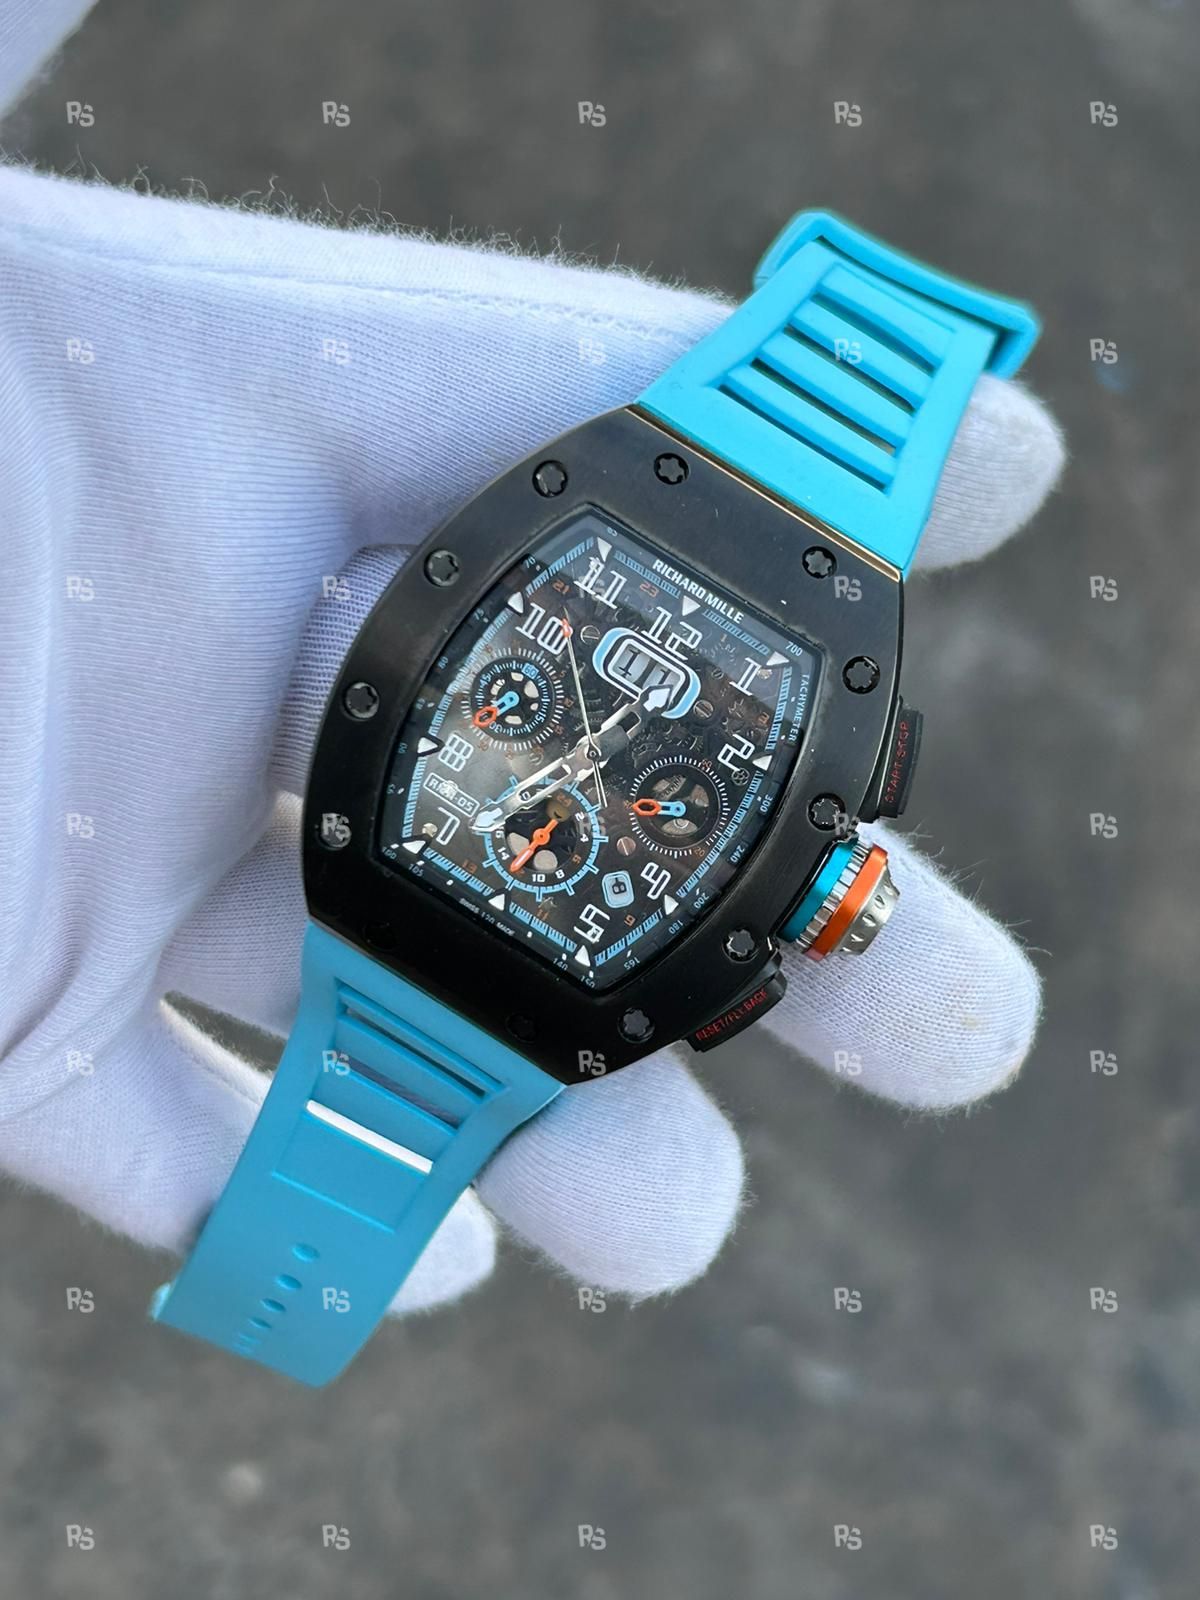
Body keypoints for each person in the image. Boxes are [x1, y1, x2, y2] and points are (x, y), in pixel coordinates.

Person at [0, 0, 1064, 1319]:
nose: (599, 756)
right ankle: (275, 1293)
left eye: (679, 806)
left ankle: (274, 1296)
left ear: (823, 894)